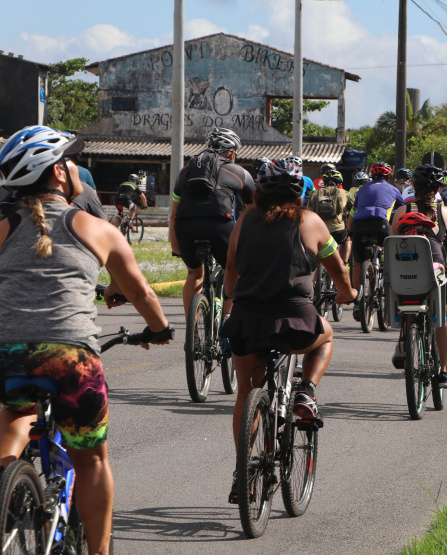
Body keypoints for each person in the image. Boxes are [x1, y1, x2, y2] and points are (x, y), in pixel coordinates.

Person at [0, 125, 174, 555]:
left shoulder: (3, 227)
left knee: (14, 416)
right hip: (71, 358)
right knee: (92, 459)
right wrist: (159, 328)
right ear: (59, 174)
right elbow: (142, 293)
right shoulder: (95, 227)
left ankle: (5, 483)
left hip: (8, 354)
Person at [223, 158, 357, 503]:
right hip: (296, 322)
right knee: (325, 336)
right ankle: (306, 392)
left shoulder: (244, 222)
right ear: (300, 192)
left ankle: (243, 472)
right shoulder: (310, 222)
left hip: (248, 323)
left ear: (260, 191)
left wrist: (230, 298)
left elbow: (231, 271)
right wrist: (347, 293)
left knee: (245, 393)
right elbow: (338, 269)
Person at [391, 165, 447, 387]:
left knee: (407, 304)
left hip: (405, 272)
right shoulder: (446, 212)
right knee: (444, 318)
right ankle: (446, 371)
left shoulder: (402, 211)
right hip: (435, 270)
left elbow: (392, 241)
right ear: (439, 188)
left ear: (413, 186)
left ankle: (404, 341)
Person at [169, 127, 256, 318]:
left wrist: (176, 246)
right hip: (219, 226)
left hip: (185, 226)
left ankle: (193, 332)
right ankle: (227, 322)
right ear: (232, 153)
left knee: (194, 273)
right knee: (232, 270)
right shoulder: (239, 172)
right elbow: (253, 211)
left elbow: (174, 213)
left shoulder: (185, 172)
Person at [347, 162, 404, 321]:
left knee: (358, 263)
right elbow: (403, 210)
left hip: (359, 225)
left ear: (371, 176)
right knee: (392, 259)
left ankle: (358, 301)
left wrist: (350, 232)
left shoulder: (362, 189)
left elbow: (352, 213)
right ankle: (392, 291)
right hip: (380, 225)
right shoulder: (394, 189)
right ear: (388, 176)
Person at [307, 168, 353, 273]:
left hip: (319, 231)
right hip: (337, 231)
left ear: (324, 182)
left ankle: (314, 283)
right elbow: (352, 209)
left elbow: (309, 210)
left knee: (317, 257)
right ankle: (343, 265)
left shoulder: (315, 193)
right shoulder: (344, 193)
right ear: (339, 182)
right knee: (347, 241)